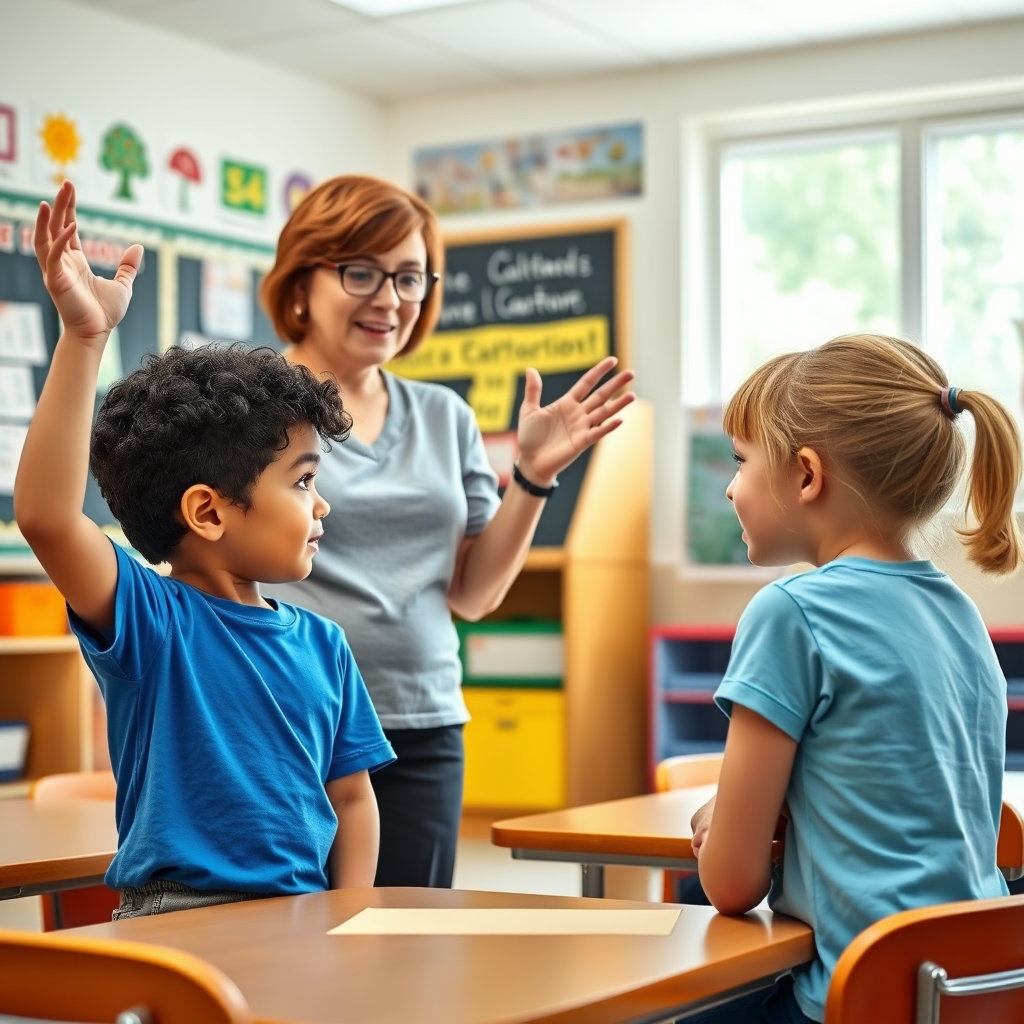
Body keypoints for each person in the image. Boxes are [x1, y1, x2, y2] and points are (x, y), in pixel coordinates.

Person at [14, 180, 395, 917]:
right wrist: (84, 338)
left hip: (302, 912)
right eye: (302, 481)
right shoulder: (150, 620)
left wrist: (349, 919)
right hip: (177, 914)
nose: (322, 505)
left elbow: (352, 798)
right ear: (208, 512)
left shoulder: (324, 644)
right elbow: (47, 519)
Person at [259, 174, 636, 887]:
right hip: (288, 719)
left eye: (409, 278)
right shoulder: (253, 406)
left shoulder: (443, 416)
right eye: (362, 272)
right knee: (289, 951)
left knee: (405, 960)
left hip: (420, 723)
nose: (390, 299)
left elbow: (474, 594)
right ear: (302, 283)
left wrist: (532, 475)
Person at [683, 333, 1022, 1023]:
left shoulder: (790, 612)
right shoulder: (961, 615)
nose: (730, 485)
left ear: (806, 475)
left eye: (742, 462)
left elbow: (730, 882)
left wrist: (717, 825)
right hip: (975, 992)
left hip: (858, 998)